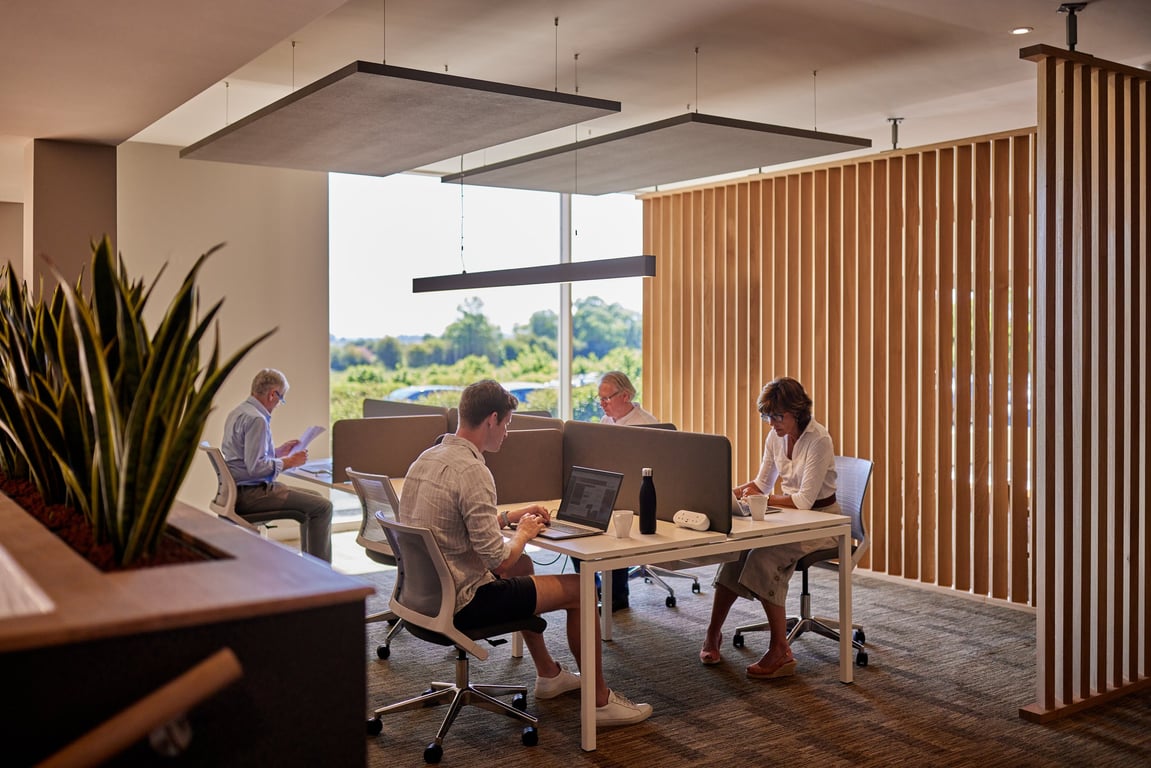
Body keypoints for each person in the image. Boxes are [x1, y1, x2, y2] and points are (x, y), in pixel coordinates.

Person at [399, 379, 652, 727]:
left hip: (421, 598)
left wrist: (509, 518)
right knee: (581, 588)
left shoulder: (427, 458)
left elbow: (457, 525)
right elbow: (498, 560)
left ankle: (548, 674)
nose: (507, 432)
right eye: (507, 423)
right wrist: (523, 532)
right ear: (491, 419)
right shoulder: (474, 471)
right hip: (465, 602)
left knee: (525, 564)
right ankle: (600, 702)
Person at [698, 377, 839, 679]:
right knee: (736, 552)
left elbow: (803, 501)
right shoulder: (776, 437)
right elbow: (761, 483)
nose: (771, 422)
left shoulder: (818, 440)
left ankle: (780, 651)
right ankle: (713, 633)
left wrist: (762, 498)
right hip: (791, 519)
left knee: (763, 556)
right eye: (767, 415)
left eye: (778, 416)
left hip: (823, 522)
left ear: (797, 412)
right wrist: (731, 492)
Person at [221, 368, 333, 563]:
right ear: (273, 394)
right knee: (323, 507)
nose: (278, 405)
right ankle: (320, 576)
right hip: (251, 494)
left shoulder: (238, 411)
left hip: (234, 492)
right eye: (281, 400)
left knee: (316, 498)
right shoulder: (257, 419)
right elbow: (256, 468)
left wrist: (277, 452)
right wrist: (288, 462)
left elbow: (244, 457)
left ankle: (311, 566)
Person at [597, 371, 659, 611]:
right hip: (611, 484)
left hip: (637, 490)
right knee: (575, 521)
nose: (602, 404)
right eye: (599, 399)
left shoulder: (646, 424)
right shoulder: (606, 421)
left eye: (607, 399)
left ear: (625, 395)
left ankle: (616, 596)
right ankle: (594, 587)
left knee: (614, 522)